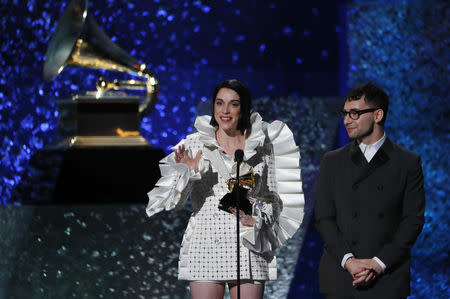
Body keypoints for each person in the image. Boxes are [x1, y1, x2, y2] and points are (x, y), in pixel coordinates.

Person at [146, 79, 304, 299]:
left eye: (234, 104)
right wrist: (189, 173)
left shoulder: (261, 146)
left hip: (249, 245)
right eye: (220, 103)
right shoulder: (195, 145)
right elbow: (174, 203)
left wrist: (256, 216)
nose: (225, 110)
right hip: (207, 244)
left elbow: (273, 199)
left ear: (244, 108)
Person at [315, 82, 425, 299]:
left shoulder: (407, 163)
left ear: (378, 115)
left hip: (387, 279)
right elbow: (324, 218)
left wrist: (378, 263)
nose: (346, 120)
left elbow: (413, 220)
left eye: (354, 113)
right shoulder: (332, 161)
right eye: (345, 113)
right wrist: (349, 261)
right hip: (342, 277)